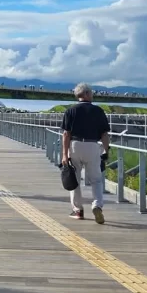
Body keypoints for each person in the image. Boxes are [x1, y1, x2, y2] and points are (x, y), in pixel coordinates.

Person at [61, 82, 111, 224]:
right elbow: (104, 134)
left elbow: (66, 134)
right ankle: (97, 206)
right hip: (92, 146)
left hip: (75, 145)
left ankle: (78, 210)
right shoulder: (98, 111)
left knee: (74, 179)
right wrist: (106, 150)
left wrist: (65, 154)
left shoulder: (70, 111)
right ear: (87, 94)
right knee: (96, 179)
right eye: (92, 92)